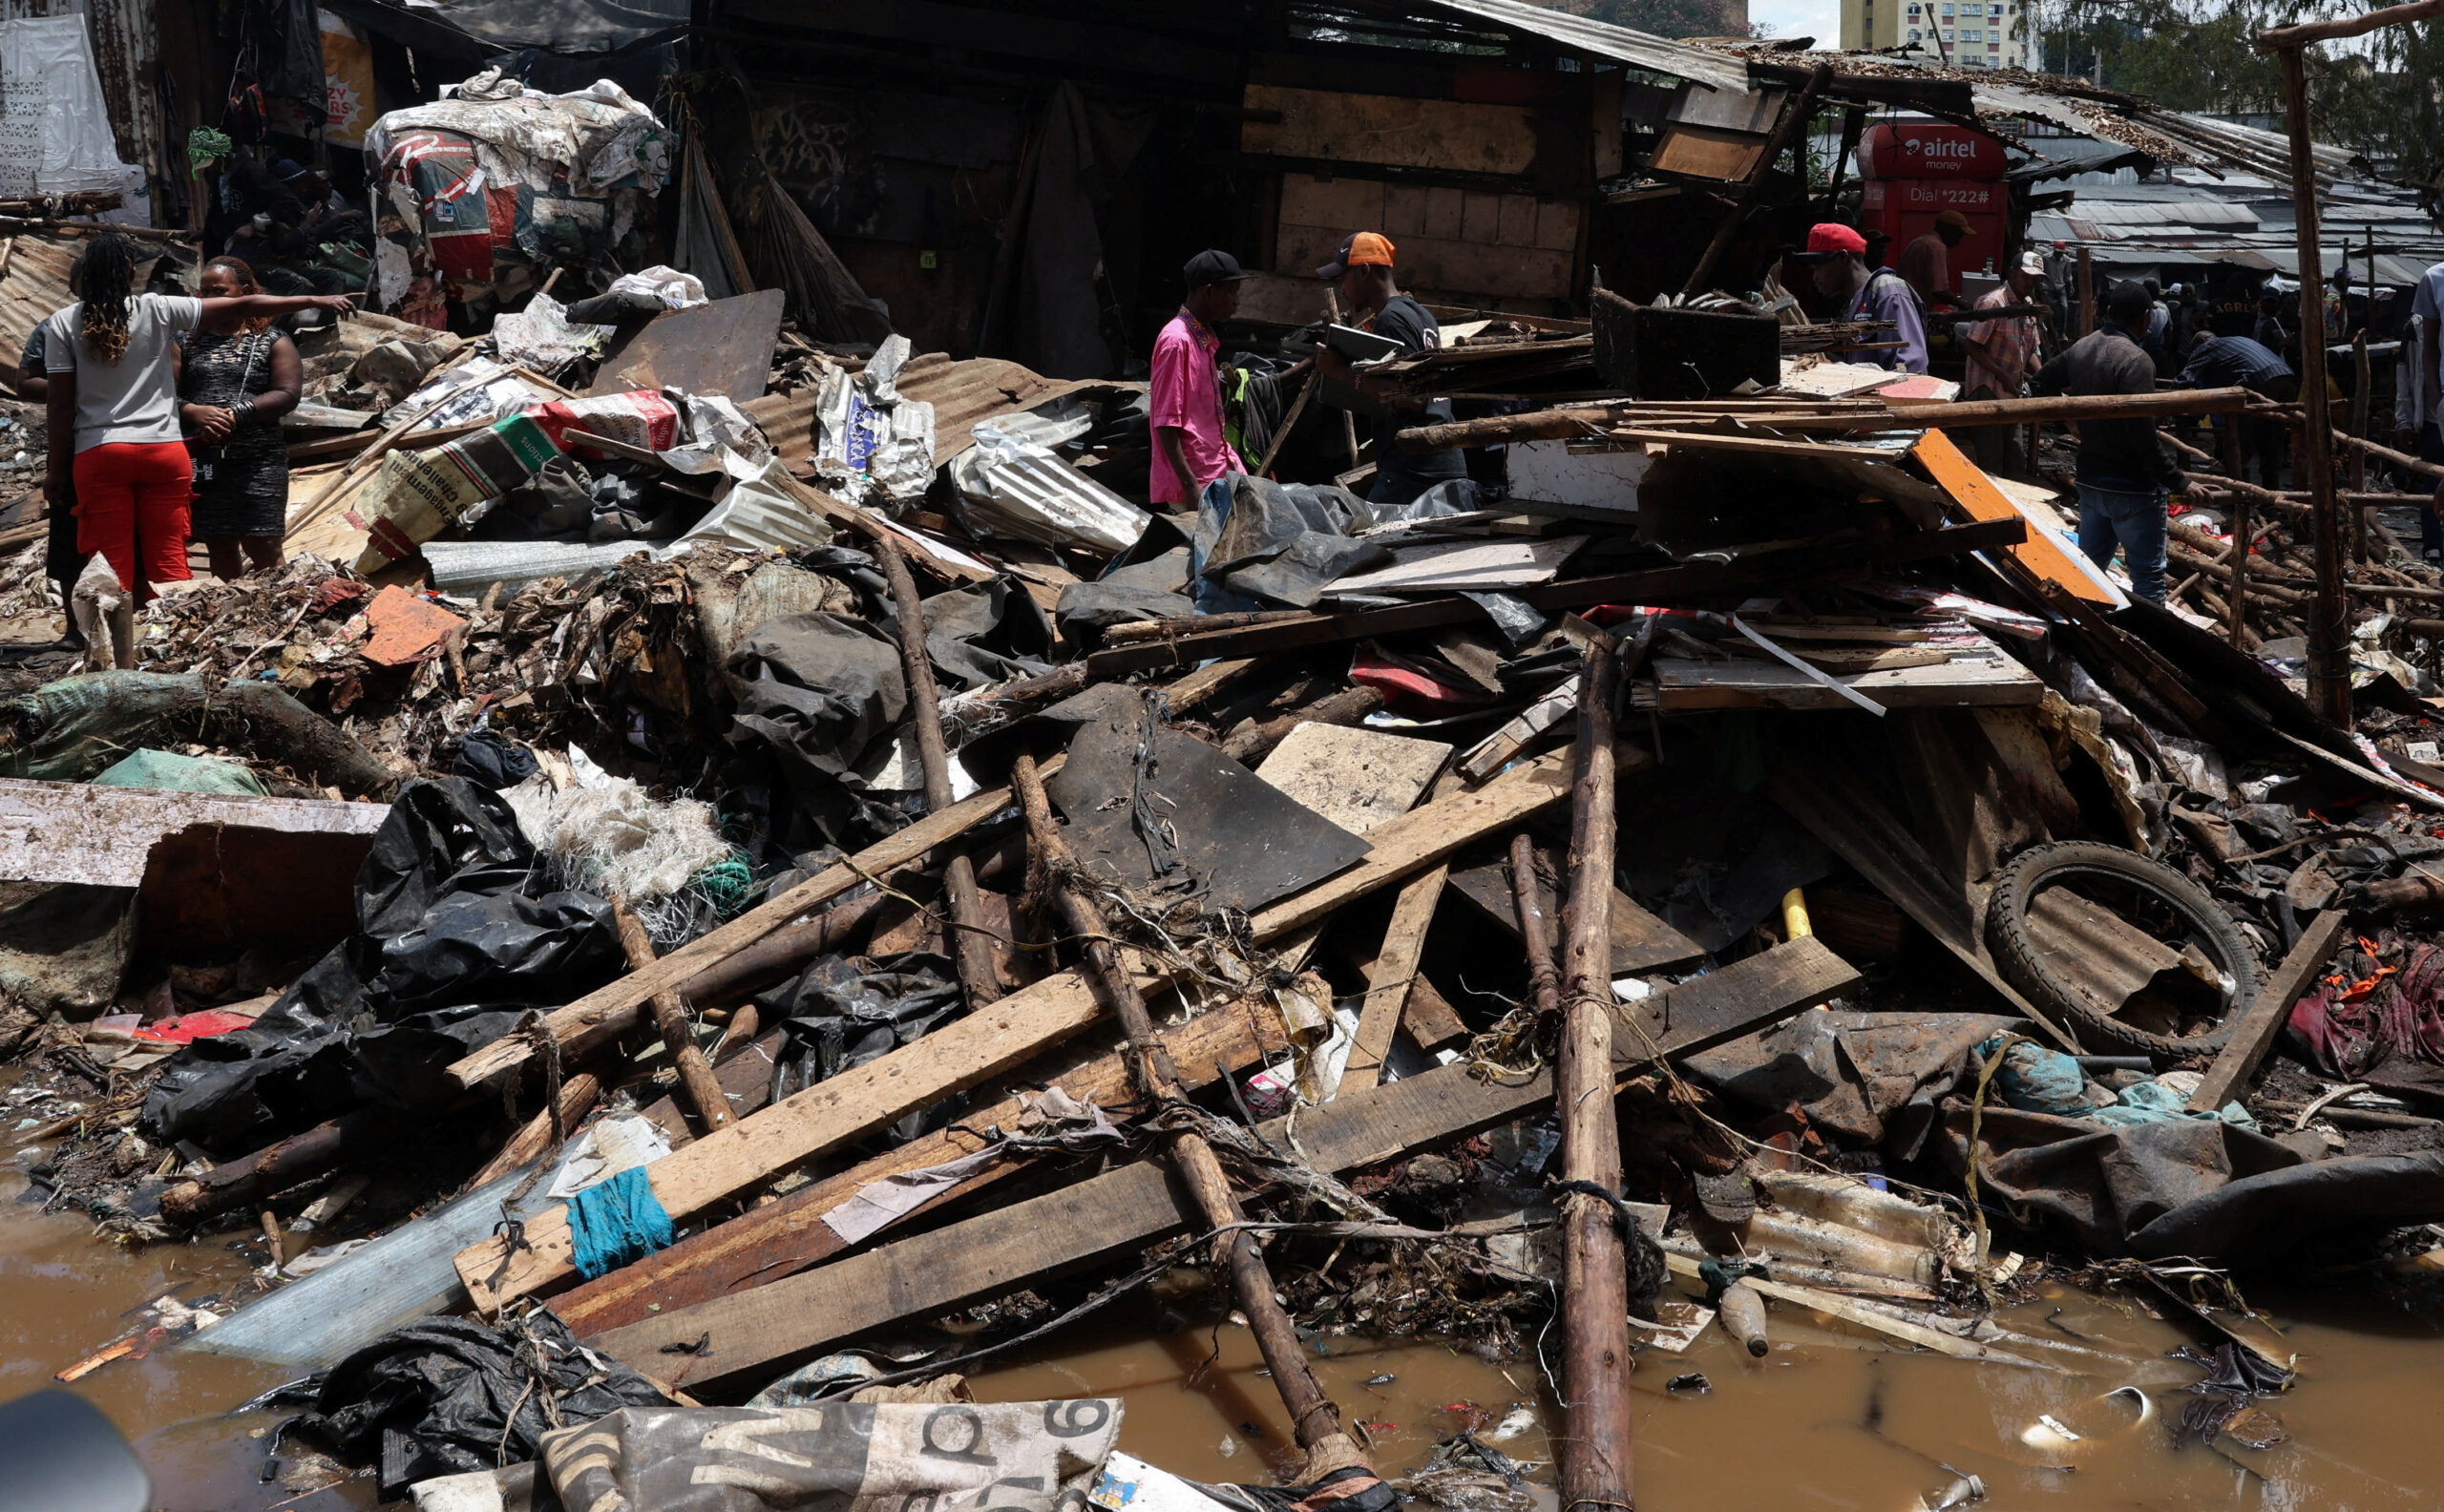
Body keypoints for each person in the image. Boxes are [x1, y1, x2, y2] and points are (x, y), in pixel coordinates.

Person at [43, 233, 351, 599]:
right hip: (165, 453)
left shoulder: (61, 322)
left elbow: (60, 405)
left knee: (111, 559)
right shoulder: (158, 309)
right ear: (130, 273)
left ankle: (125, 642)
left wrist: (56, 469)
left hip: (100, 453)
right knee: (171, 558)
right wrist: (314, 298)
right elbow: (245, 305)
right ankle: (172, 633)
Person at [2028, 280, 2183, 603]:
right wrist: (2179, 480)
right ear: (2144, 318)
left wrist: (2069, 419)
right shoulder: (2135, 360)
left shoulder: (2083, 347)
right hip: (2132, 487)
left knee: (2088, 573)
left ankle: (2086, 639)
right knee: (2148, 582)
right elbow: (2142, 435)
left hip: (2091, 481)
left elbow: (2040, 383)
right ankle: (2150, 651)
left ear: (2108, 313)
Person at [1312, 231, 1467, 506]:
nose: (1342, 288)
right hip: (1438, 457)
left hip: (1415, 469)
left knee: (1369, 541)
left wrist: (1343, 373)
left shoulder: (1391, 319)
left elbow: (1413, 397)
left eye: (1343, 278)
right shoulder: (1420, 314)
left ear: (1364, 271)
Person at [174, 257, 303, 579]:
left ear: (244, 291)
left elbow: (288, 394)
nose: (210, 298)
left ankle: (276, 612)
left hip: (259, 460)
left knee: (264, 544)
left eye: (220, 290)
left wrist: (237, 412)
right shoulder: (184, 341)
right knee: (218, 542)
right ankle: (228, 613)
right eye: (204, 291)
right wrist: (192, 411)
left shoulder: (273, 340)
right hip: (206, 457)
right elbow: (162, 395)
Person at [1148, 249, 1248, 513]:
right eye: (1232, 292)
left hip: (1216, 472)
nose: (1237, 301)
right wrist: (1190, 485)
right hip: (1197, 484)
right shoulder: (1176, 342)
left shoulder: (1202, 340)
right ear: (1209, 292)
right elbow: (1166, 422)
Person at [17, 315, 91, 649]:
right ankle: (77, 627)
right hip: (72, 444)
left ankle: (130, 622)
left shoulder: (143, 319)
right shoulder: (57, 326)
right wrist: (74, 386)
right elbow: (26, 382)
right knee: (69, 538)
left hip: (129, 443)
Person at [1955, 248, 2045, 475]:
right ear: (2013, 272)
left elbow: (2030, 350)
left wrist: (2044, 378)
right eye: (2027, 276)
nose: (2031, 282)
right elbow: (1971, 345)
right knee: (1991, 463)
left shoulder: (2028, 305)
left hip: (2011, 392)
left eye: (2035, 278)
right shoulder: (1994, 303)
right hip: (1988, 389)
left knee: (2015, 462)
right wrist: (2002, 375)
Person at [1798, 223, 1927, 374]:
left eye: (1818, 268)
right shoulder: (1853, 304)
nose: (1815, 277)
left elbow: (1910, 368)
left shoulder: (1887, 290)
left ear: (1843, 258)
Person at [2180, 327, 2296, 490]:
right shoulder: (2236, 341)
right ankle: (2270, 500)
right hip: (2286, 378)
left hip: (2257, 382)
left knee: (2238, 444)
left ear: (2199, 344)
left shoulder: (2207, 347)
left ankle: (2240, 498)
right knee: (2272, 441)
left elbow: (2183, 379)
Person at [2412, 257, 2444, 561]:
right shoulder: (2435, 278)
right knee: (2435, 478)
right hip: (2442, 405)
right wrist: (2437, 400)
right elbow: (2429, 349)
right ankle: (2434, 545)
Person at [1895, 209, 1970, 307]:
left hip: (1903, 303)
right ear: (1948, 230)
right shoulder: (1937, 248)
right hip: (1914, 308)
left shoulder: (1919, 241)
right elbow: (1939, 291)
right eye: (1958, 235)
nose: (1958, 241)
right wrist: (1965, 306)